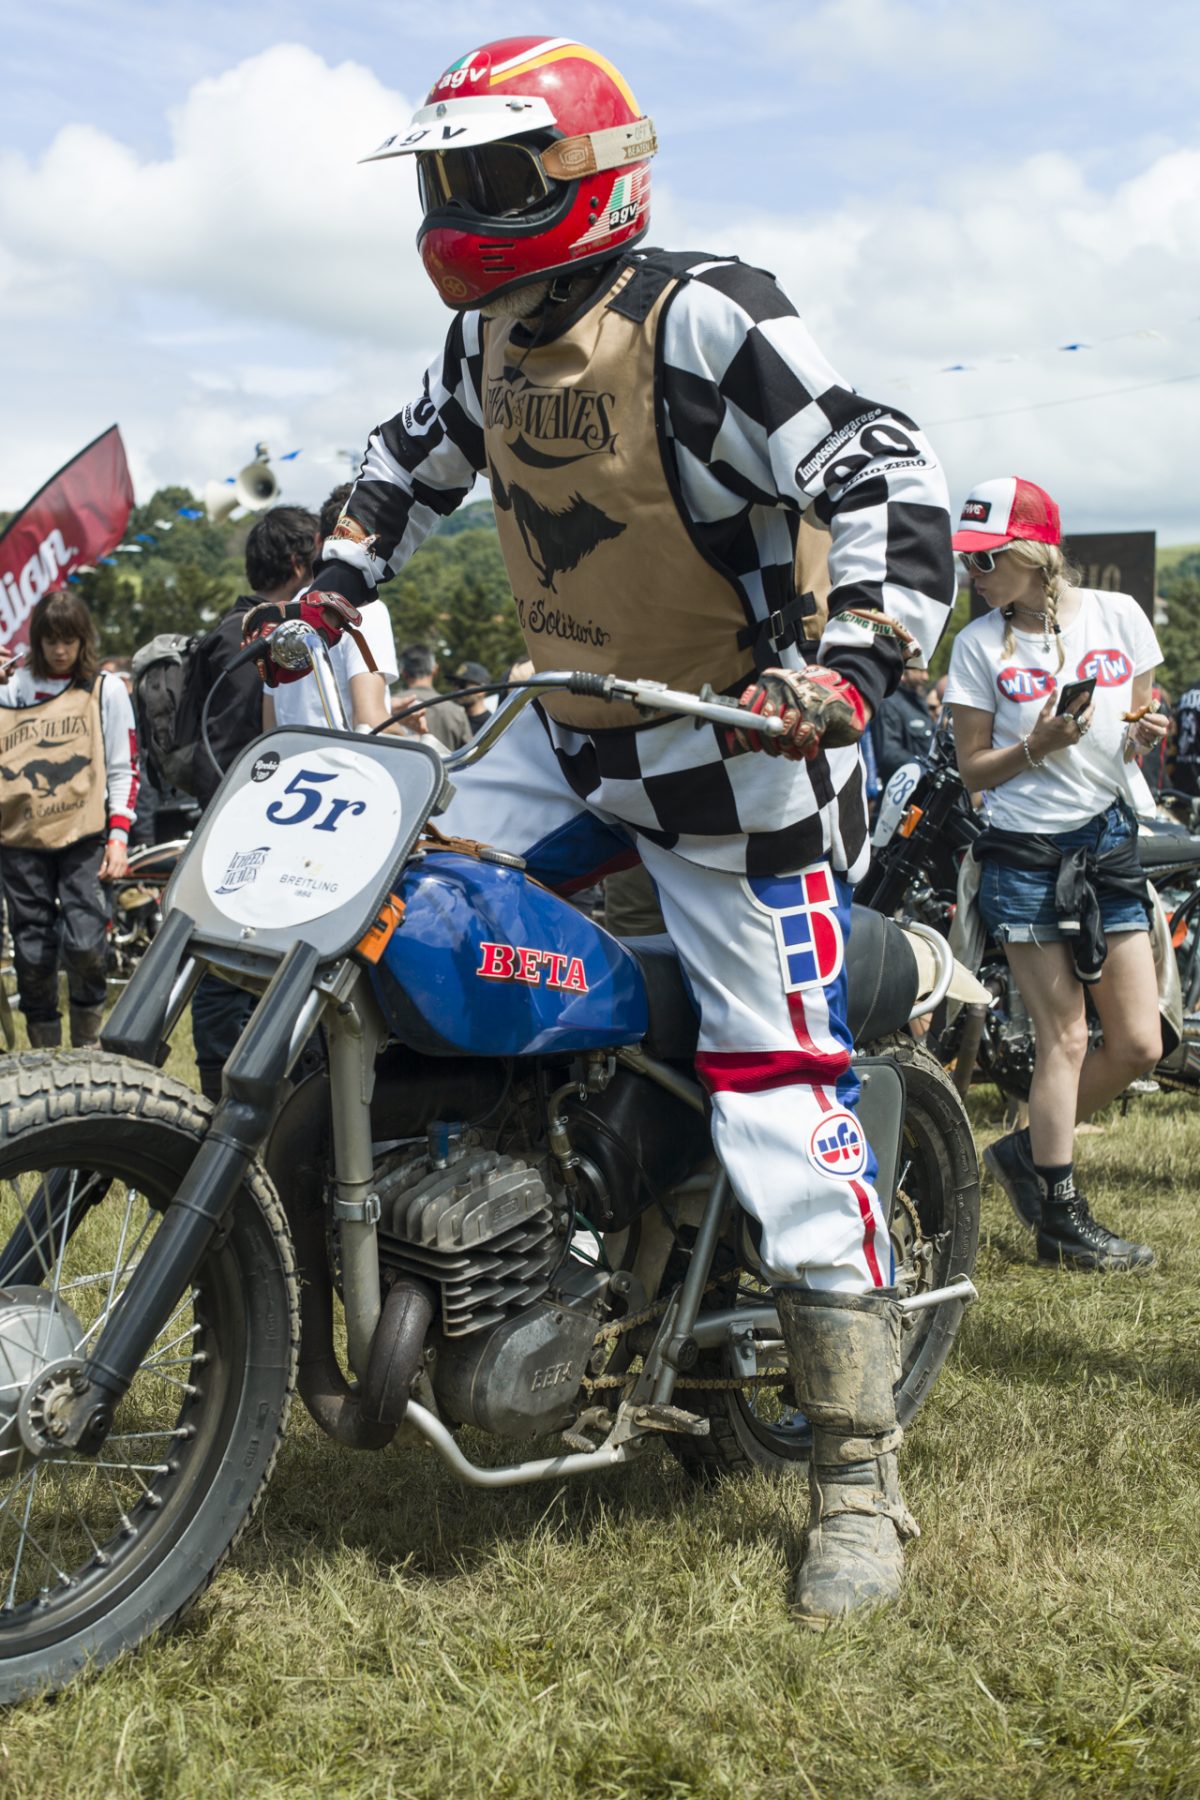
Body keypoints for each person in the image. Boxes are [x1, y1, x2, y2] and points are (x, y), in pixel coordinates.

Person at [259, 35, 955, 1623]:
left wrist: (856, 658)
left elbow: (886, 468)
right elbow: (402, 465)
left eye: (489, 175)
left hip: (740, 756)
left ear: (587, 175)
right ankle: (488, 1207)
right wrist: (331, 589)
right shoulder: (490, 333)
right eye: (445, 177)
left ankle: (856, 1475)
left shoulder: (702, 313)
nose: (457, 206)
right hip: (566, 734)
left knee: (781, 1091)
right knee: (380, 913)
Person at [944, 477, 1166, 1271]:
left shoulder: (1119, 615)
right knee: (1064, 1037)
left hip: (1107, 842)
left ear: (1035, 553)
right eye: (967, 559)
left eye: (985, 558)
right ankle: (1060, 1218)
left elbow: (1132, 731)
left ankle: (1024, 1154)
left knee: (1140, 1043)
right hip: (1025, 853)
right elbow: (972, 771)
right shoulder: (977, 645)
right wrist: (1037, 746)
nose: (972, 573)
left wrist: (1143, 734)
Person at [188, 505, 322, 1102]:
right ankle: (227, 1103)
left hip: (237, 818)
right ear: (298, 563)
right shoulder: (256, 636)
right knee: (231, 967)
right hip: (250, 824)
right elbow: (241, 746)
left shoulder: (231, 628)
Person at [0, 592, 138, 1047]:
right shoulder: (12, 687)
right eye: (51, 641)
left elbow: (124, 767)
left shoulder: (106, 690)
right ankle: (44, 1057)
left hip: (85, 837)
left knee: (85, 946)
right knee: (33, 955)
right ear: (37, 641)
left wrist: (118, 837)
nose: (60, 651)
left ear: (84, 641)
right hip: (20, 840)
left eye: (69, 640)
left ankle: (88, 1049)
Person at [263, 485, 399, 734]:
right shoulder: (367, 610)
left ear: (318, 541)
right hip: (342, 758)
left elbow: (269, 725)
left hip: (287, 757)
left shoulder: (284, 613)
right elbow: (370, 722)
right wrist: (417, 738)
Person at [870, 665, 936, 785]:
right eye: (921, 671)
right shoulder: (889, 703)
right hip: (904, 787)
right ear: (907, 670)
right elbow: (889, 754)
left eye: (926, 671)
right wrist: (927, 769)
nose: (926, 677)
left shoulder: (920, 702)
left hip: (925, 785)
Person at [397, 644, 471, 749]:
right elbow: (469, 753)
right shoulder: (456, 712)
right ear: (435, 669)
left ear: (404, 673)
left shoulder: (388, 706)